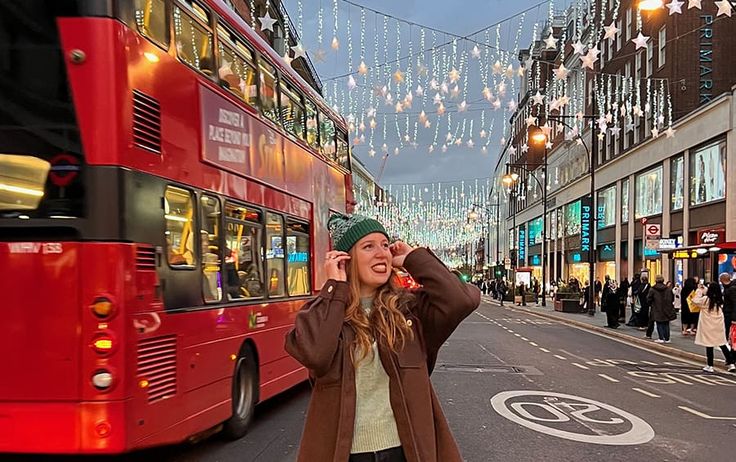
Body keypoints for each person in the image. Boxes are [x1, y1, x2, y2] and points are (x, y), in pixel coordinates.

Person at [285, 213, 480, 462]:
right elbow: (316, 354)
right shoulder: (325, 313)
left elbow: (461, 299)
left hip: (405, 451)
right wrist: (335, 287)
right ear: (346, 259)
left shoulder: (409, 312)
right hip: (346, 455)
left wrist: (414, 258)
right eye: (368, 246)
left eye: (385, 245)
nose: (382, 253)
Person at [693, 282, 736, 373]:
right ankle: (731, 363)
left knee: (709, 345)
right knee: (722, 343)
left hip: (708, 325)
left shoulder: (705, 300)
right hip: (718, 325)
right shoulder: (720, 300)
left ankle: (710, 365)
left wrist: (699, 291)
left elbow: (694, 300)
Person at [647, 275, 676, 343]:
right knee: (666, 323)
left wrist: (651, 304)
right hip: (667, 308)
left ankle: (661, 337)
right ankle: (667, 338)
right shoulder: (668, 289)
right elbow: (672, 298)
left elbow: (648, 299)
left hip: (657, 308)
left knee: (659, 323)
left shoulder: (653, 289)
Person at [719, 272, 735, 343]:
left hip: (730, 313)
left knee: (729, 331)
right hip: (728, 312)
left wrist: (734, 317)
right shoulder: (728, 288)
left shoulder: (731, 289)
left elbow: (734, 303)